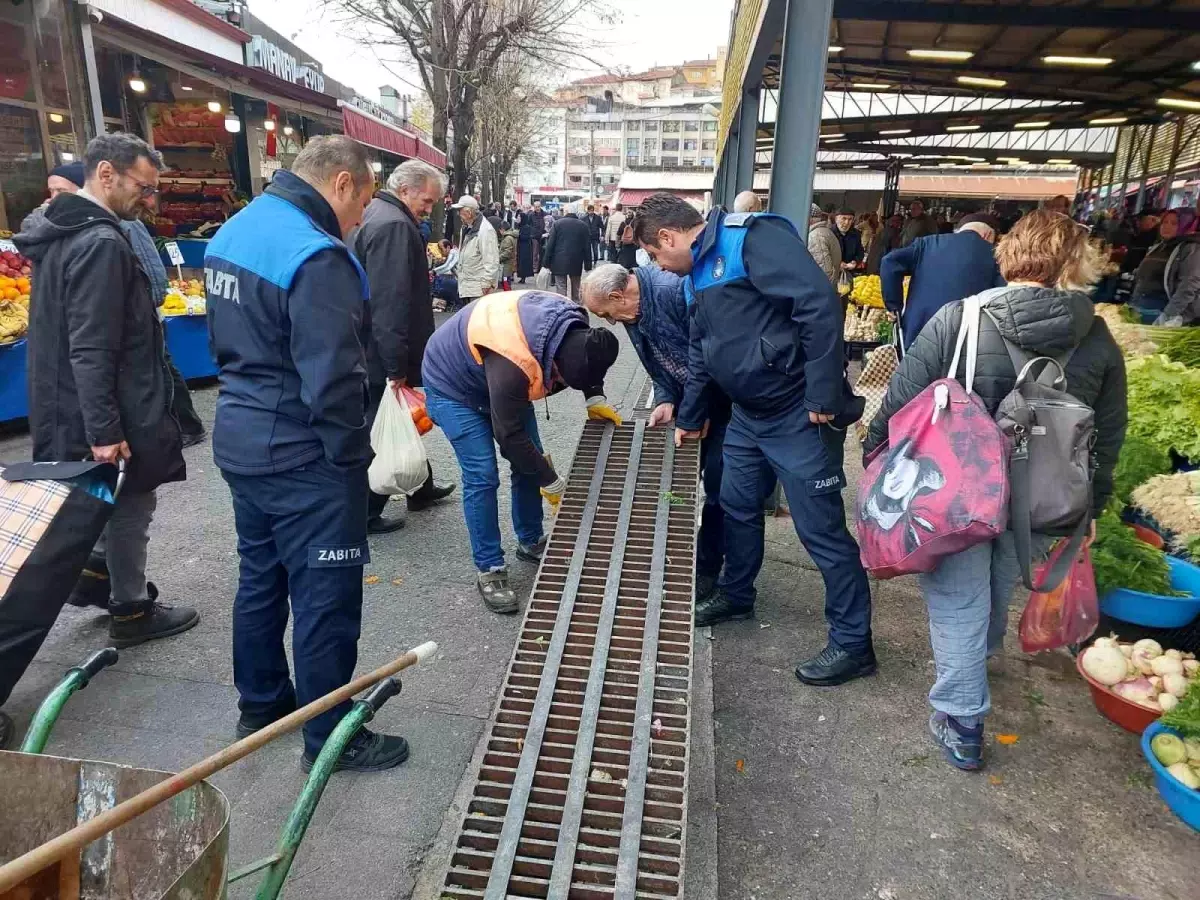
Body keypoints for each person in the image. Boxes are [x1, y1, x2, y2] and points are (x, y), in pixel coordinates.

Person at [863, 210, 1127, 770]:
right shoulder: (1098, 337)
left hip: (957, 491)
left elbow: (902, 399)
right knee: (1000, 581)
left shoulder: (958, 318)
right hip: (1044, 495)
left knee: (958, 596)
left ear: (1007, 256)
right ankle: (977, 658)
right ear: (1071, 263)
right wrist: (1092, 506)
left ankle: (962, 719)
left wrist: (877, 462)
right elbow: (1107, 431)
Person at [205, 135, 408, 773]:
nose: (358, 221)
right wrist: (351, 464)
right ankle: (329, 737)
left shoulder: (233, 231)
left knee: (261, 577)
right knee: (325, 595)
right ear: (342, 183)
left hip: (242, 435)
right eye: (362, 204)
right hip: (303, 451)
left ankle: (262, 703)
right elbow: (335, 379)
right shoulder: (317, 256)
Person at [631, 192, 875, 686]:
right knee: (735, 504)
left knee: (821, 531)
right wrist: (691, 415)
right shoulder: (696, 271)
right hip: (746, 416)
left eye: (656, 255)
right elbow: (703, 349)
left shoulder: (751, 239)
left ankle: (853, 643)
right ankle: (737, 594)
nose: (660, 265)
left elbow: (818, 306)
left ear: (667, 237)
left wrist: (823, 393)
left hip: (795, 415)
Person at [15, 134, 197, 645]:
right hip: (103, 405)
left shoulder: (58, 232)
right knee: (130, 506)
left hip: (65, 401)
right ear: (107, 174)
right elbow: (94, 345)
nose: (150, 199)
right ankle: (130, 608)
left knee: (88, 506)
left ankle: (97, 578)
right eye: (144, 187)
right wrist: (105, 428)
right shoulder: (100, 242)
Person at [421, 291, 622, 612]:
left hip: (496, 373)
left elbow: (587, 355)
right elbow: (509, 435)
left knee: (531, 460)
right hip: (453, 385)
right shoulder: (513, 360)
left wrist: (594, 396)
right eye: (557, 378)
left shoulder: (575, 325)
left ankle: (530, 539)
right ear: (553, 360)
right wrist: (552, 483)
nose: (555, 383)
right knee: (483, 475)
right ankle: (490, 568)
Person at [581, 262, 732, 599]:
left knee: (722, 488)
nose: (608, 321)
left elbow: (703, 361)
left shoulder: (672, 293)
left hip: (726, 402)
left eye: (606, 313)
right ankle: (681, 556)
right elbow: (657, 360)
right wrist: (665, 397)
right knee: (682, 480)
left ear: (619, 296)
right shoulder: (634, 311)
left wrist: (694, 416)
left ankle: (710, 569)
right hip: (693, 401)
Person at [351, 158, 458, 535]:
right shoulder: (395, 225)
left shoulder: (377, 214)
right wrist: (397, 366)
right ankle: (366, 507)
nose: (429, 209)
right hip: (384, 349)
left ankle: (420, 485)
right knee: (385, 424)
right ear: (405, 189)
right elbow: (390, 301)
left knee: (400, 419)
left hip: (374, 343)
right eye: (427, 201)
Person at [881, 213, 1005, 349]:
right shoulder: (995, 255)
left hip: (918, 330)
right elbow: (1002, 296)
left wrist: (894, 307)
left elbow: (890, 261)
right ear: (987, 235)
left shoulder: (927, 243)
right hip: (967, 338)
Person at [1130, 209, 1200, 325]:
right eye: (1164, 222)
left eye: (1174, 223)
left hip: (1161, 311)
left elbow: (1188, 285)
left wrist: (1168, 316)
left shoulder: (1190, 249)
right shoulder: (1158, 246)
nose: (1167, 226)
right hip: (1140, 306)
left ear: (1185, 225)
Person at [453, 195, 499, 310]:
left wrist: (486, 285)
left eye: (460, 211)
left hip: (478, 290)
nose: (459, 215)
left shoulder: (485, 230)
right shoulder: (466, 228)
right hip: (468, 287)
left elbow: (491, 261)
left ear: (468, 212)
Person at [542, 205, 591, 301]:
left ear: (566, 212)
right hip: (576, 261)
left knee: (561, 287)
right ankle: (576, 307)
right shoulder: (583, 225)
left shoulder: (557, 224)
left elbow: (550, 245)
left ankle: (563, 306)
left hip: (559, 260)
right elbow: (587, 247)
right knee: (576, 287)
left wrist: (546, 263)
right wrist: (588, 265)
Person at [807, 204, 842, 285]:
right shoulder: (824, 231)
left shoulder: (816, 236)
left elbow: (824, 272)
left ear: (809, 218)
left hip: (821, 291)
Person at [496, 217, 517, 289]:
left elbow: (507, 252)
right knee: (506, 282)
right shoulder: (510, 237)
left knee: (506, 283)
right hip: (508, 265)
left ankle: (508, 297)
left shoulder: (507, 238)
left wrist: (498, 258)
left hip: (506, 266)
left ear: (502, 229)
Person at [529, 199, 547, 270]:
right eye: (535, 206)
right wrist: (531, 233)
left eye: (538, 206)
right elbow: (529, 224)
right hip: (534, 236)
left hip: (543, 236)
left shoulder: (545, 214)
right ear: (533, 207)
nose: (537, 208)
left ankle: (542, 266)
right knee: (535, 252)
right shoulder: (531, 215)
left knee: (543, 252)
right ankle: (535, 267)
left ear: (540, 206)